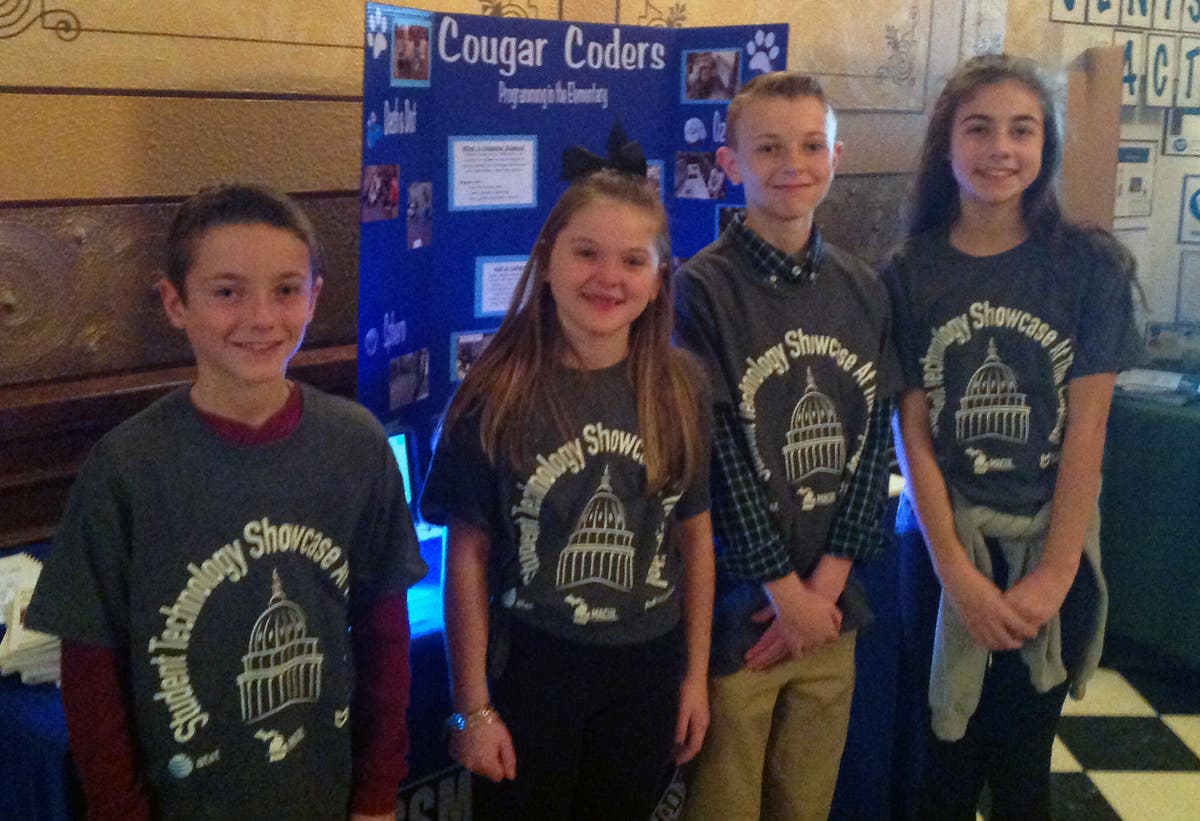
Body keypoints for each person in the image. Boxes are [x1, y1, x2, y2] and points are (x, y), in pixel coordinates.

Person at [25, 183, 427, 821]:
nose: (261, 317)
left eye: (286, 289)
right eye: (227, 292)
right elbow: (90, 671)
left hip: (321, 794)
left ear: (314, 297)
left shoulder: (357, 445)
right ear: (175, 303)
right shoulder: (125, 468)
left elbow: (385, 636)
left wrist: (377, 797)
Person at [420, 141, 715, 821]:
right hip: (531, 667)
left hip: (648, 666)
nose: (608, 277)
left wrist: (695, 676)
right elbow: (466, 556)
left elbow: (695, 537)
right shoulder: (494, 392)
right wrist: (471, 707)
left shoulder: (682, 386)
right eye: (587, 253)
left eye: (632, 261)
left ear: (658, 278)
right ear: (548, 259)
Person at [884, 54, 1143, 821]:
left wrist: (1055, 575)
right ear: (947, 144)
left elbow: (1088, 429)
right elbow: (912, 431)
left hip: (1049, 544)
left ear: (1045, 145)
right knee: (939, 769)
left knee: (1022, 768)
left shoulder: (1090, 266)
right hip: (942, 547)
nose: (1001, 148)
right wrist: (957, 574)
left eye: (1021, 130)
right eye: (979, 128)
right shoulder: (909, 269)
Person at [674, 71, 901, 821]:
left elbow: (872, 445)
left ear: (837, 157)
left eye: (810, 146)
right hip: (742, 615)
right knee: (724, 802)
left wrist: (822, 592)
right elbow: (718, 459)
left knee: (806, 801)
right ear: (731, 162)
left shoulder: (864, 288)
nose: (792, 164)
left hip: (832, 610)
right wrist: (785, 595)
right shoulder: (700, 289)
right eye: (768, 147)